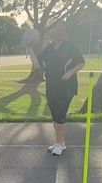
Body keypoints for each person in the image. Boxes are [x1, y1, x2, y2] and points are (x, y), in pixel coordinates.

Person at [33, 22, 85, 156]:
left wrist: (69, 73)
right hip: (51, 86)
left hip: (66, 87)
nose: (58, 32)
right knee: (55, 116)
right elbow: (37, 65)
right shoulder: (49, 48)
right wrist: (30, 50)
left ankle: (58, 144)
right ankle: (61, 143)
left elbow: (81, 62)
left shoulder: (71, 46)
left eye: (62, 30)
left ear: (66, 33)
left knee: (60, 115)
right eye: (57, 30)